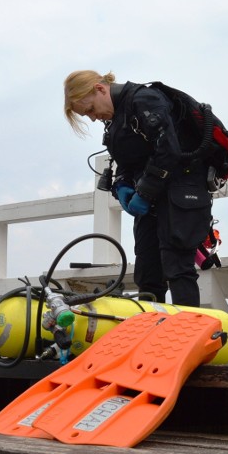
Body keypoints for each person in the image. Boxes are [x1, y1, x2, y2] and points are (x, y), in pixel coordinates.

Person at [63, 70, 213, 306]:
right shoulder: (116, 119)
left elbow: (168, 150)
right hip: (153, 200)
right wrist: (122, 185)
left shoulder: (145, 100)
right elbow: (129, 162)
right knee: (148, 274)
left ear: (100, 89)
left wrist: (143, 192)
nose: (92, 118)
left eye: (90, 109)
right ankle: (152, 335)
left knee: (178, 269)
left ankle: (187, 336)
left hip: (181, 193)